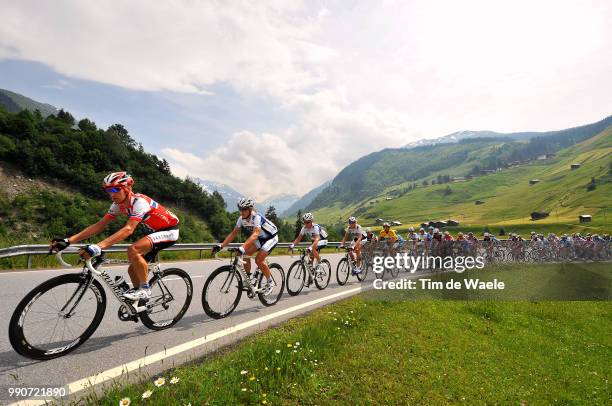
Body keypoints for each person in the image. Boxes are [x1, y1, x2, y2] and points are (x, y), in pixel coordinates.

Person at [49, 172, 180, 301]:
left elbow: (128, 229)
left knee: (133, 250)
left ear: (128, 188)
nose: (112, 194)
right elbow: (99, 225)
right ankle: (139, 303)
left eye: (115, 189)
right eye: (108, 190)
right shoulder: (118, 205)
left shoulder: (140, 202)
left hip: (170, 231)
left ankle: (145, 290)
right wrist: (68, 241)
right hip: (154, 232)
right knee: (133, 270)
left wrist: (98, 246)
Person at [213, 197, 278, 295]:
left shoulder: (256, 217)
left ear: (250, 209)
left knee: (258, 259)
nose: (241, 212)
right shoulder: (241, 219)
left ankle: (270, 282)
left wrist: (242, 247)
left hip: (270, 238)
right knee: (246, 254)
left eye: (244, 209)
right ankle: (248, 280)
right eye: (240, 209)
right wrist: (221, 246)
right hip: (260, 239)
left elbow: (255, 233)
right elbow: (233, 234)